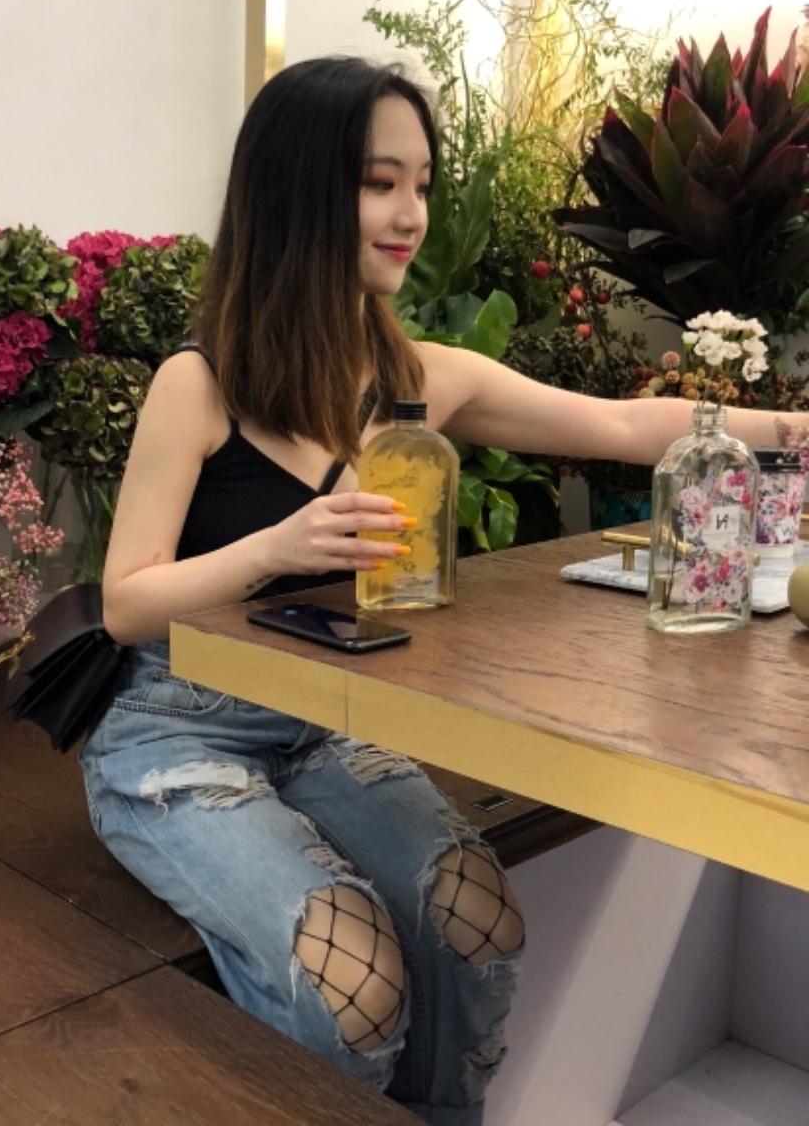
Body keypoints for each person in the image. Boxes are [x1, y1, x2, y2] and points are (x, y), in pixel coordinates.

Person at [80, 56, 804, 1125]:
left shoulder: (418, 375)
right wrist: (278, 544)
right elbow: (126, 604)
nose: (411, 214)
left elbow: (620, 425)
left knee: (477, 919)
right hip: (174, 734)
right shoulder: (199, 384)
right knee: (353, 980)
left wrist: (793, 430)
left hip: (327, 718)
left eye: (420, 183)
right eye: (380, 183)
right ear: (296, 191)